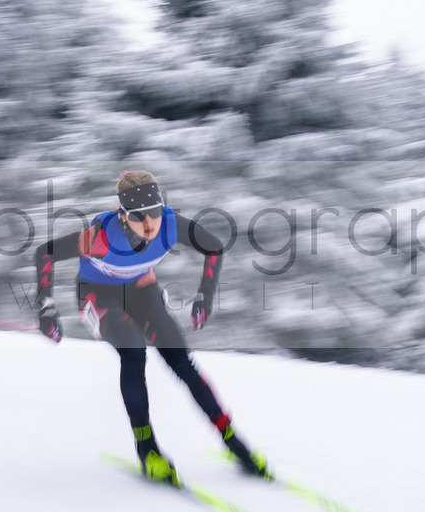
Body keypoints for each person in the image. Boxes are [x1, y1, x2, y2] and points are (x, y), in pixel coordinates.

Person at [33, 170, 267, 485]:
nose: (149, 224)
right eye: (139, 216)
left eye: (155, 212)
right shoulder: (99, 237)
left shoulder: (171, 224)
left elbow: (214, 247)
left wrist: (205, 296)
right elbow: (44, 253)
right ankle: (148, 450)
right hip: (97, 295)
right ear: (122, 215)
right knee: (133, 352)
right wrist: (46, 307)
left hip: (142, 291)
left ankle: (233, 442)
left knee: (183, 363)